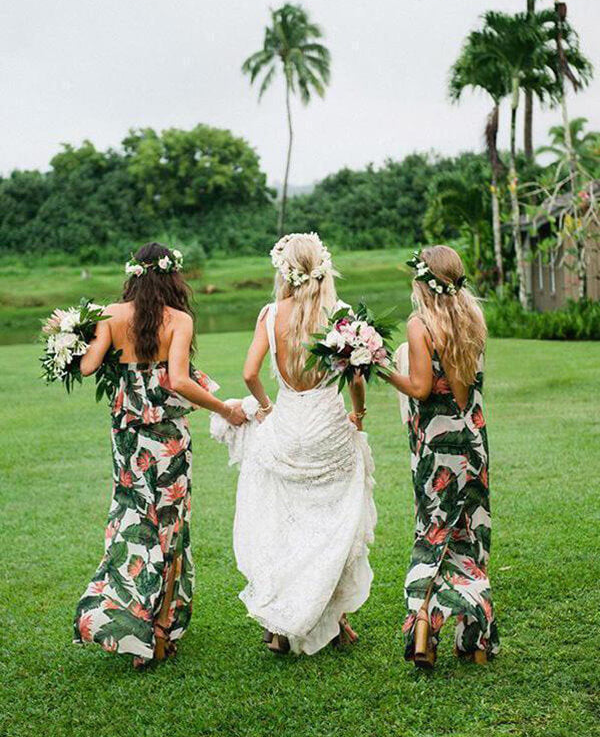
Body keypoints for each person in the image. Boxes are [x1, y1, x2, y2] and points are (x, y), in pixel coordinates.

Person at [72, 242, 246, 668]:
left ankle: (132, 623)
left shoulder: (111, 315)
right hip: (167, 438)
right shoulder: (179, 320)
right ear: (173, 277)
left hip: (128, 437)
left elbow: (87, 368)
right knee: (170, 528)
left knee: (132, 519)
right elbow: (181, 381)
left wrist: (81, 334)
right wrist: (224, 409)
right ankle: (162, 631)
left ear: (133, 275)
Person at [224, 232, 376, 655]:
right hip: (328, 426)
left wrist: (266, 406)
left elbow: (250, 373)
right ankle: (335, 618)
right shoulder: (340, 314)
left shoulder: (271, 315)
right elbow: (357, 378)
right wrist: (357, 416)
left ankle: (280, 626)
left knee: (285, 527)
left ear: (283, 271)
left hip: (288, 426)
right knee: (332, 526)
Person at [384, 245, 499, 668]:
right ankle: (477, 641)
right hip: (472, 441)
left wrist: (380, 366)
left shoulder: (420, 326)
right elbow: (465, 390)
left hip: (435, 446)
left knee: (433, 534)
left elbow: (420, 388)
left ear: (421, 282)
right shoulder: (474, 320)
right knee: (469, 536)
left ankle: (423, 632)